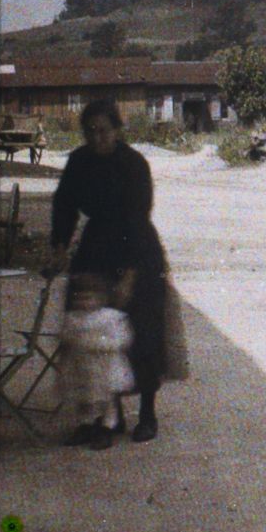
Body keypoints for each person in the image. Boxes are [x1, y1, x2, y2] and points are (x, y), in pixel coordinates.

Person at [48, 100, 170, 442]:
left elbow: (137, 216)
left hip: (137, 251)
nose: (97, 137)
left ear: (117, 130)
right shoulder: (78, 161)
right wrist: (59, 245)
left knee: (140, 333)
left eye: (103, 130)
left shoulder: (133, 164)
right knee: (92, 334)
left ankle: (147, 415)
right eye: (90, 132)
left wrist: (129, 276)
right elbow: (64, 204)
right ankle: (105, 417)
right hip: (96, 250)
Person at [57, 275, 134, 448]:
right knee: (83, 399)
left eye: (88, 298)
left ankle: (106, 428)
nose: (83, 302)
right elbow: (65, 336)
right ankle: (85, 425)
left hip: (104, 366)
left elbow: (122, 340)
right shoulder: (72, 318)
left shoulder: (111, 318)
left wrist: (98, 343)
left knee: (106, 399)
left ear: (101, 299)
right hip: (80, 365)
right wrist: (70, 339)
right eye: (78, 298)